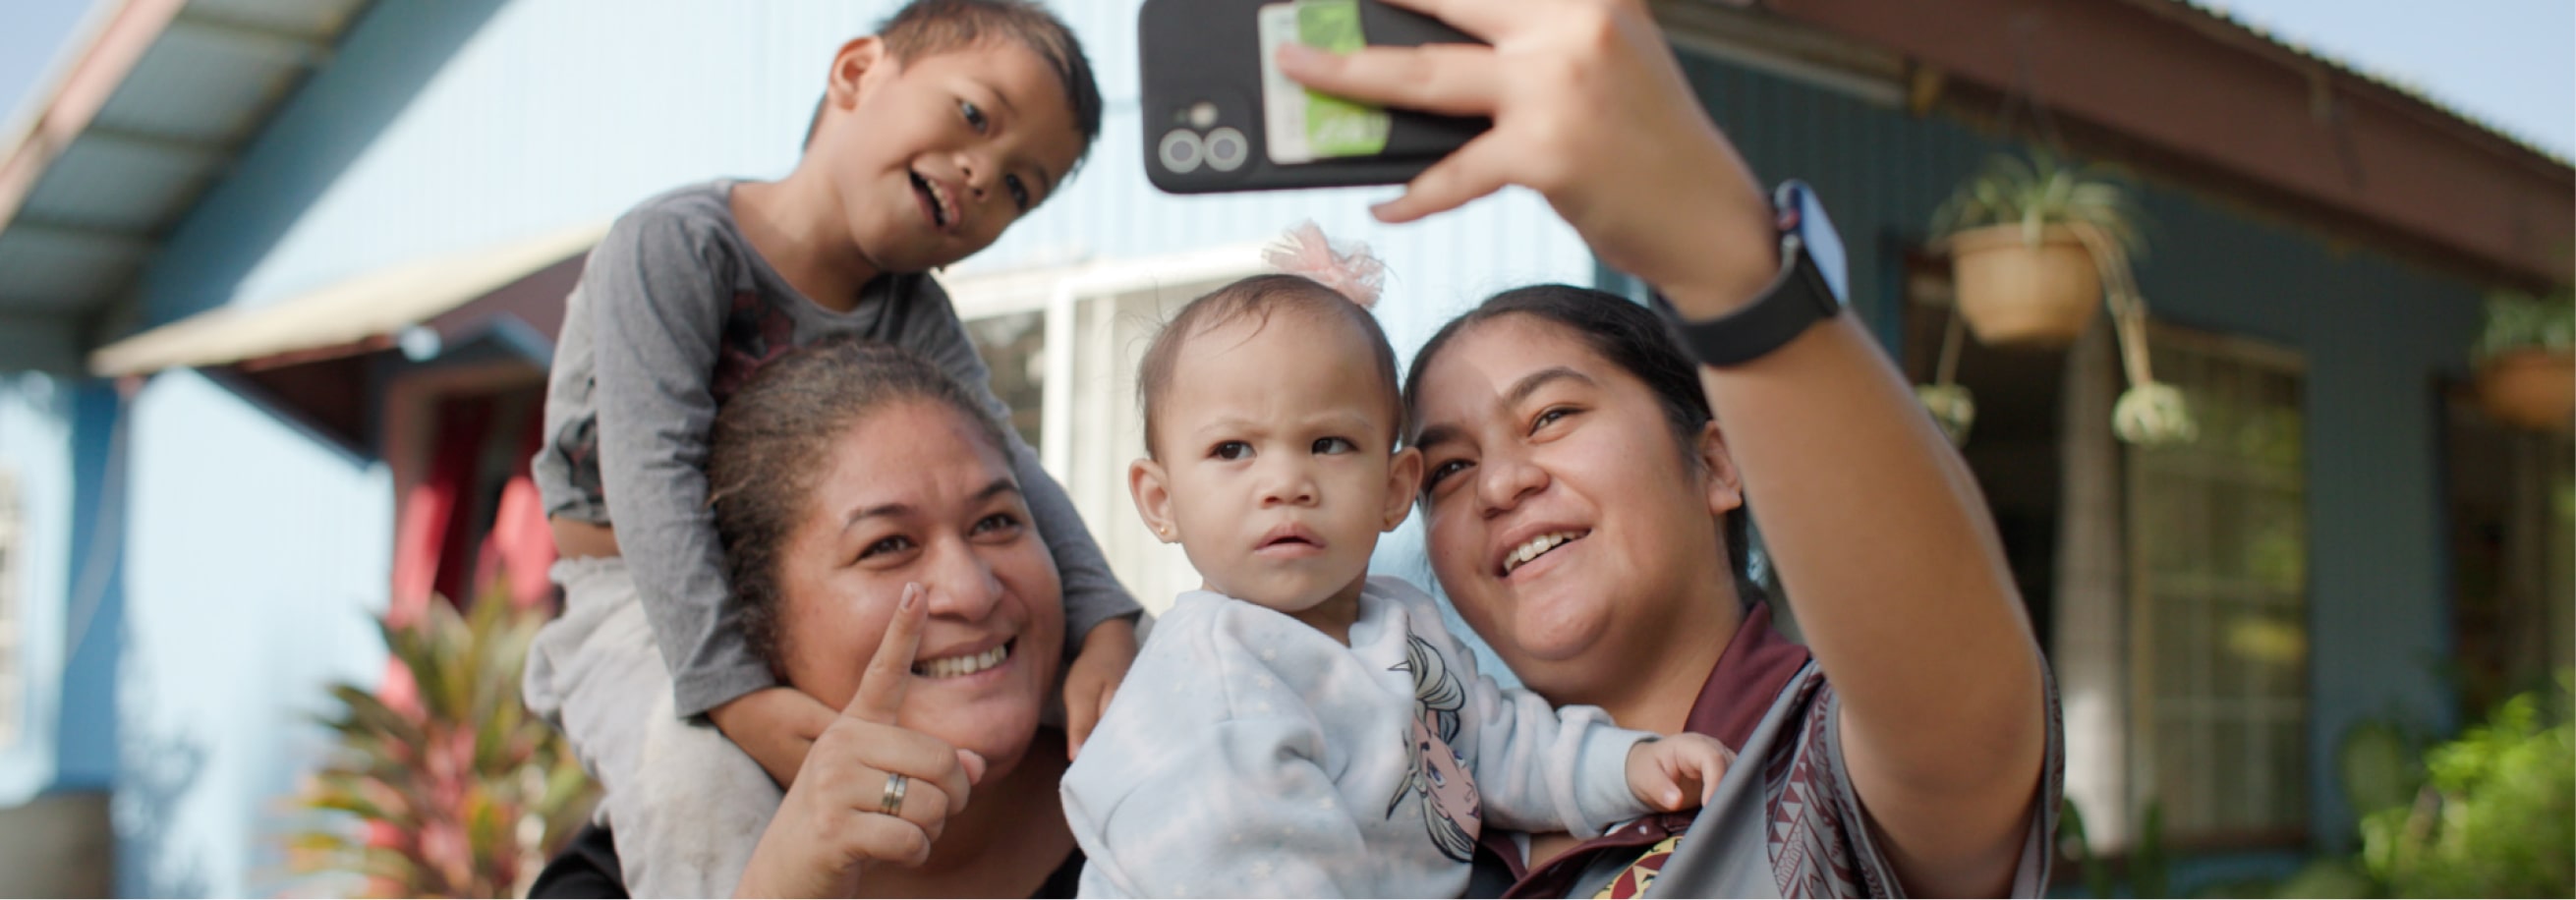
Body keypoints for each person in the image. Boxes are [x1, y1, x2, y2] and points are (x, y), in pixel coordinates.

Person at [1274, 0, 2064, 895]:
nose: (1500, 483)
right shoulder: (1409, 819)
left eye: (1552, 416)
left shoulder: (1828, 764)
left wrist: (1718, 260)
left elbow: (1957, 694)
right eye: (1448, 468)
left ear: (1721, 464)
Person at [519, 2, 1141, 894]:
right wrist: (734, 696)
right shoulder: (676, 245)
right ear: (855, 72)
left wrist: (1108, 619)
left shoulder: (911, 308)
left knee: (1148, 674)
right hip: (634, 599)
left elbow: (1008, 468)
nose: (982, 171)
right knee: (698, 786)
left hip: (821, 596)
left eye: (1019, 187)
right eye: (974, 114)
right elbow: (651, 474)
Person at [1059, 228, 1736, 898]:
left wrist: (1629, 765)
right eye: (1233, 450)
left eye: (1328, 442)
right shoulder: (1210, 679)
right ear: (1159, 500)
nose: (1285, 483)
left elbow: (1504, 748)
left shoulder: (1399, 625)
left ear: (1393, 489)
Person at [530, 341, 1092, 899]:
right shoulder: (615, 882)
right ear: (753, 619)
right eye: (888, 544)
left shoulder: (1157, 808)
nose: (972, 592)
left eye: (995, 522)